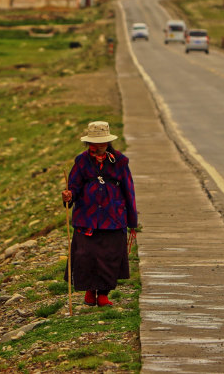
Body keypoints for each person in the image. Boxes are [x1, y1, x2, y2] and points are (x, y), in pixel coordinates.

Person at [62, 121, 137, 307]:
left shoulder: (120, 162)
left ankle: (103, 295)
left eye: (102, 144)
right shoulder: (81, 162)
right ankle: (89, 292)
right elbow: (74, 187)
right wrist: (68, 196)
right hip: (87, 218)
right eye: (94, 144)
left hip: (113, 218)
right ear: (88, 144)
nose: (98, 148)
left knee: (109, 258)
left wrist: (132, 222)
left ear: (108, 143)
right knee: (85, 256)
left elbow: (129, 191)